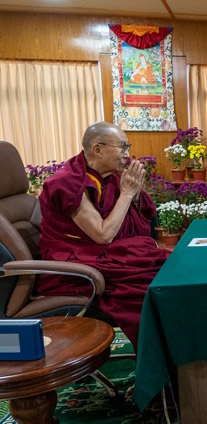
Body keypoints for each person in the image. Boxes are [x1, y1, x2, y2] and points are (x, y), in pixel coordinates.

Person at [37, 121, 170, 350]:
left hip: (99, 254)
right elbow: (103, 235)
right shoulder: (68, 183)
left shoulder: (108, 177)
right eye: (123, 147)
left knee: (163, 267)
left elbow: (137, 225)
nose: (127, 155)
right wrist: (127, 194)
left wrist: (134, 195)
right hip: (73, 265)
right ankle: (156, 355)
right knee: (149, 288)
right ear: (98, 149)